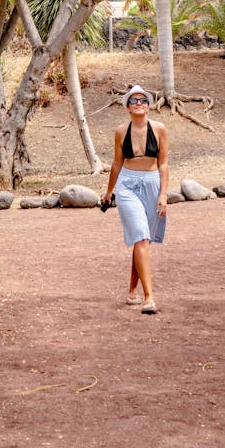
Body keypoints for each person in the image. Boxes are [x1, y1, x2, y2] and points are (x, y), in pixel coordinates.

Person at [102, 84, 168, 314]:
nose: (138, 103)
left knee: (143, 241)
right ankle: (149, 297)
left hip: (152, 183)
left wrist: (163, 194)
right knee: (140, 236)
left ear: (149, 106)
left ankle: (132, 290)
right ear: (128, 107)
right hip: (128, 185)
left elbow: (164, 163)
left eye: (143, 100)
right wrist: (109, 192)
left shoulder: (159, 129)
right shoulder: (121, 131)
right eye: (134, 100)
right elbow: (117, 163)